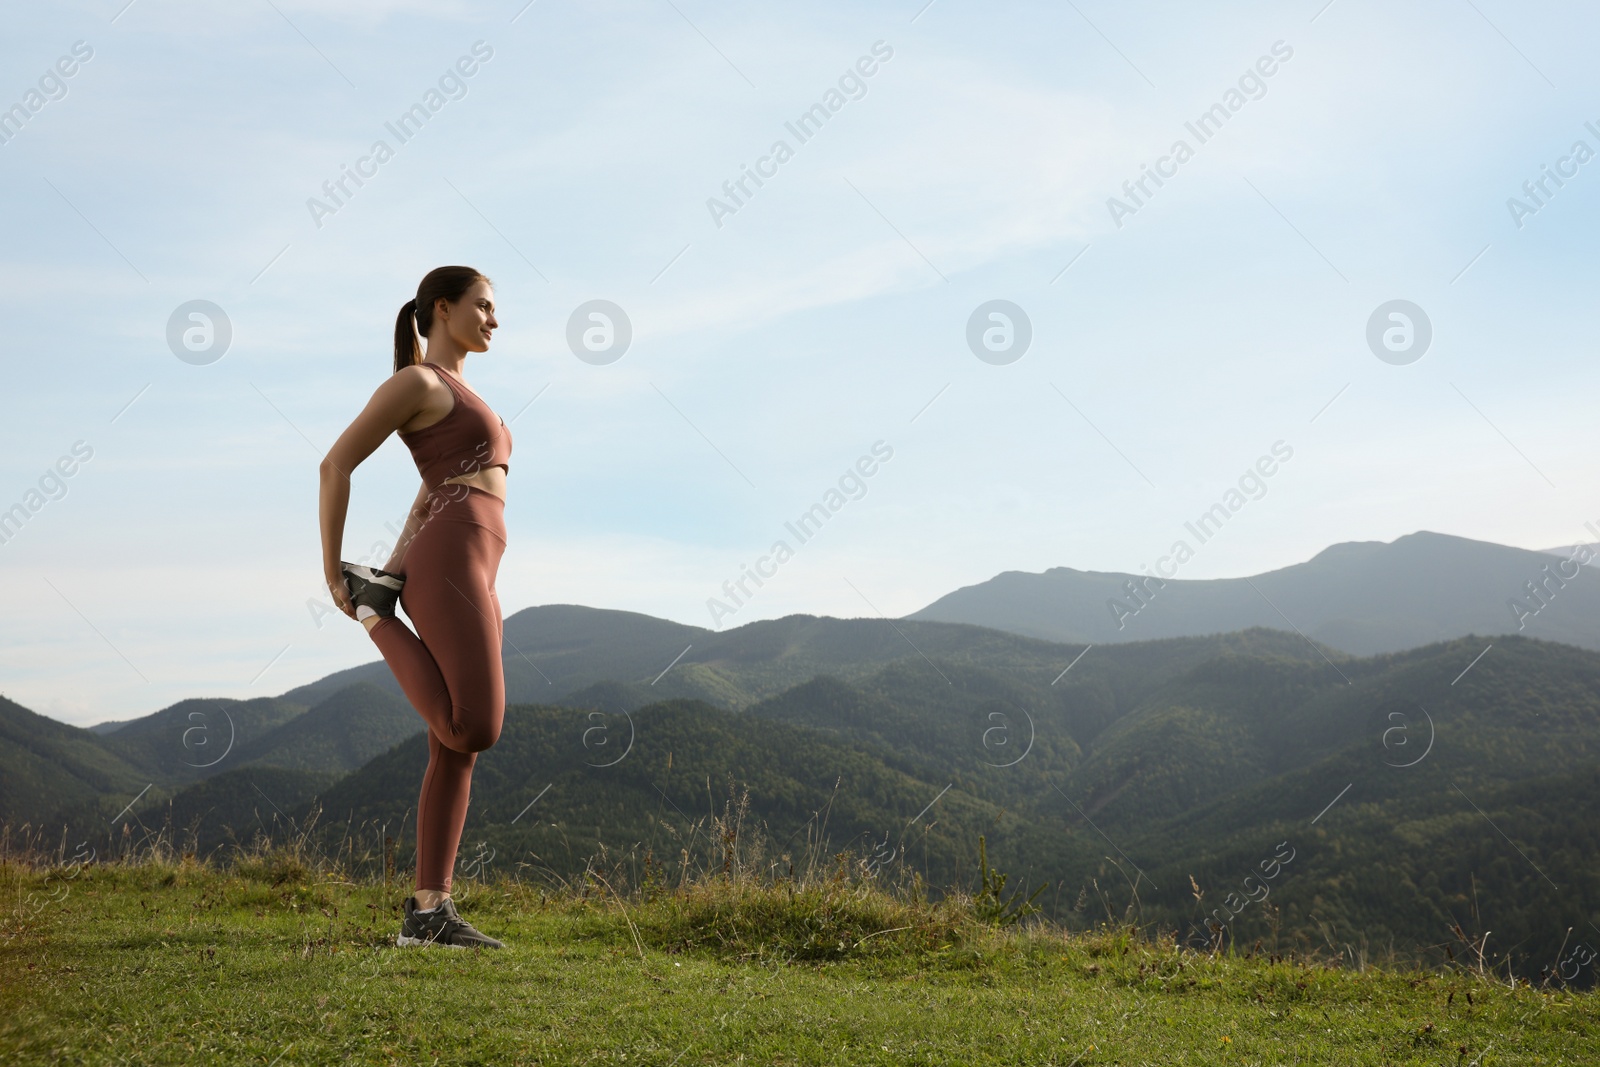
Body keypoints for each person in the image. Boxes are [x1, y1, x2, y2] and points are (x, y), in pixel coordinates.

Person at [318, 265, 512, 949]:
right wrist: (334, 570)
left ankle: (430, 911)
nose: (494, 318)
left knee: (454, 748)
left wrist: (394, 566)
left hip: (470, 559)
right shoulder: (419, 382)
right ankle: (375, 615)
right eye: (483, 305)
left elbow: (429, 491)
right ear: (442, 307)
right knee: (477, 724)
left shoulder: (459, 389)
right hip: (454, 556)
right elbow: (335, 464)